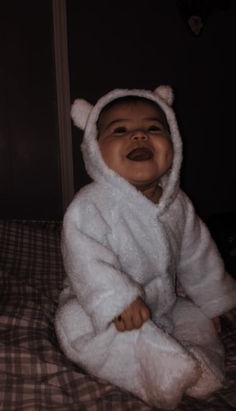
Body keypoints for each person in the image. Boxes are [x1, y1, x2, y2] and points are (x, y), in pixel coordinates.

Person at [55, 86, 236, 409]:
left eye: (154, 127)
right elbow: (84, 256)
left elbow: (198, 255)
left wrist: (215, 300)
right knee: (73, 322)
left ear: (175, 143)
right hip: (101, 303)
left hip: (163, 302)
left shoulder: (178, 204)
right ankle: (155, 369)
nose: (139, 135)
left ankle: (198, 363)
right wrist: (117, 299)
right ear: (94, 150)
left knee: (196, 318)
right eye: (120, 130)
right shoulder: (91, 204)